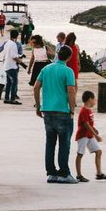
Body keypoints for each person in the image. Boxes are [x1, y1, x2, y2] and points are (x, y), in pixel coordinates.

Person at [33, 45, 78, 183]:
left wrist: (38, 106)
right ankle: (64, 173)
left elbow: (36, 87)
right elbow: (71, 91)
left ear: (57, 54)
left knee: (50, 143)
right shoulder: (68, 71)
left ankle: (51, 173)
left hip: (47, 111)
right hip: (62, 112)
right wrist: (72, 109)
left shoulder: (46, 69)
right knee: (64, 144)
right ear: (69, 57)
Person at [75, 90, 106, 182]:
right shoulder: (84, 111)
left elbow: (89, 124)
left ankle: (99, 173)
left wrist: (94, 129)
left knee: (98, 152)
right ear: (90, 99)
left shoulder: (89, 110)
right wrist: (96, 136)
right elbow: (86, 124)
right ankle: (79, 175)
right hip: (83, 136)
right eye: (94, 99)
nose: (95, 101)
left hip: (89, 135)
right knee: (80, 154)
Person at [0, 30, 24, 104]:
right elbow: (14, 56)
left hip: (6, 65)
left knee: (8, 82)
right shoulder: (13, 44)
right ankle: (12, 99)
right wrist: (22, 63)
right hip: (12, 66)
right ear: (17, 36)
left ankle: (6, 98)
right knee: (14, 82)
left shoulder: (7, 43)